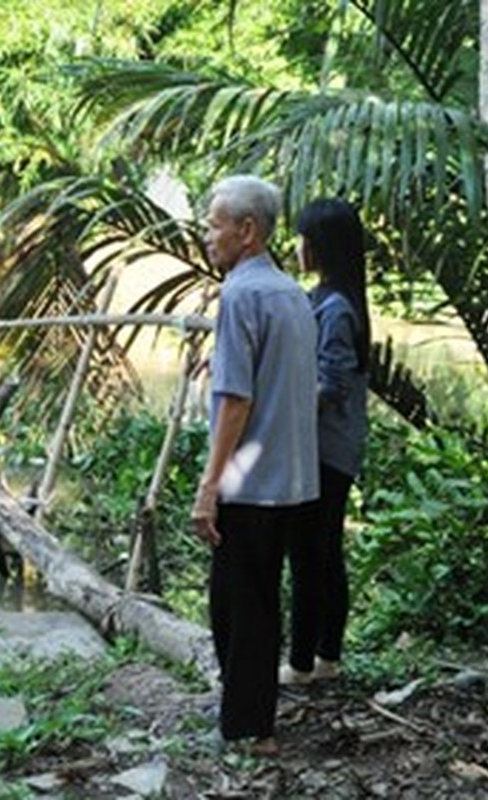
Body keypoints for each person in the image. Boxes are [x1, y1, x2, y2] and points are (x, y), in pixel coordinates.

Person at [191, 175, 321, 754]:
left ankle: (248, 731)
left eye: (215, 224)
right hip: (293, 481)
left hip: (250, 483)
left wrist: (209, 485)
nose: (207, 234)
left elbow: (235, 399)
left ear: (247, 232)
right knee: (262, 603)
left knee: (238, 609)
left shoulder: (241, 295)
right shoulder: (293, 293)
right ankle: (256, 721)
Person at [280, 198, 371, 686]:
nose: (298, 248)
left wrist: (276, 407)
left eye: (304, 239)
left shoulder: (335, 308)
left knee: (311, 556)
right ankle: (325, 656)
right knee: (321, 553)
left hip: (325, 452)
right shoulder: (328, 299)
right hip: (328, 449)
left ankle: (304, 663)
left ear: (320, 247)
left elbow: (331, 386)